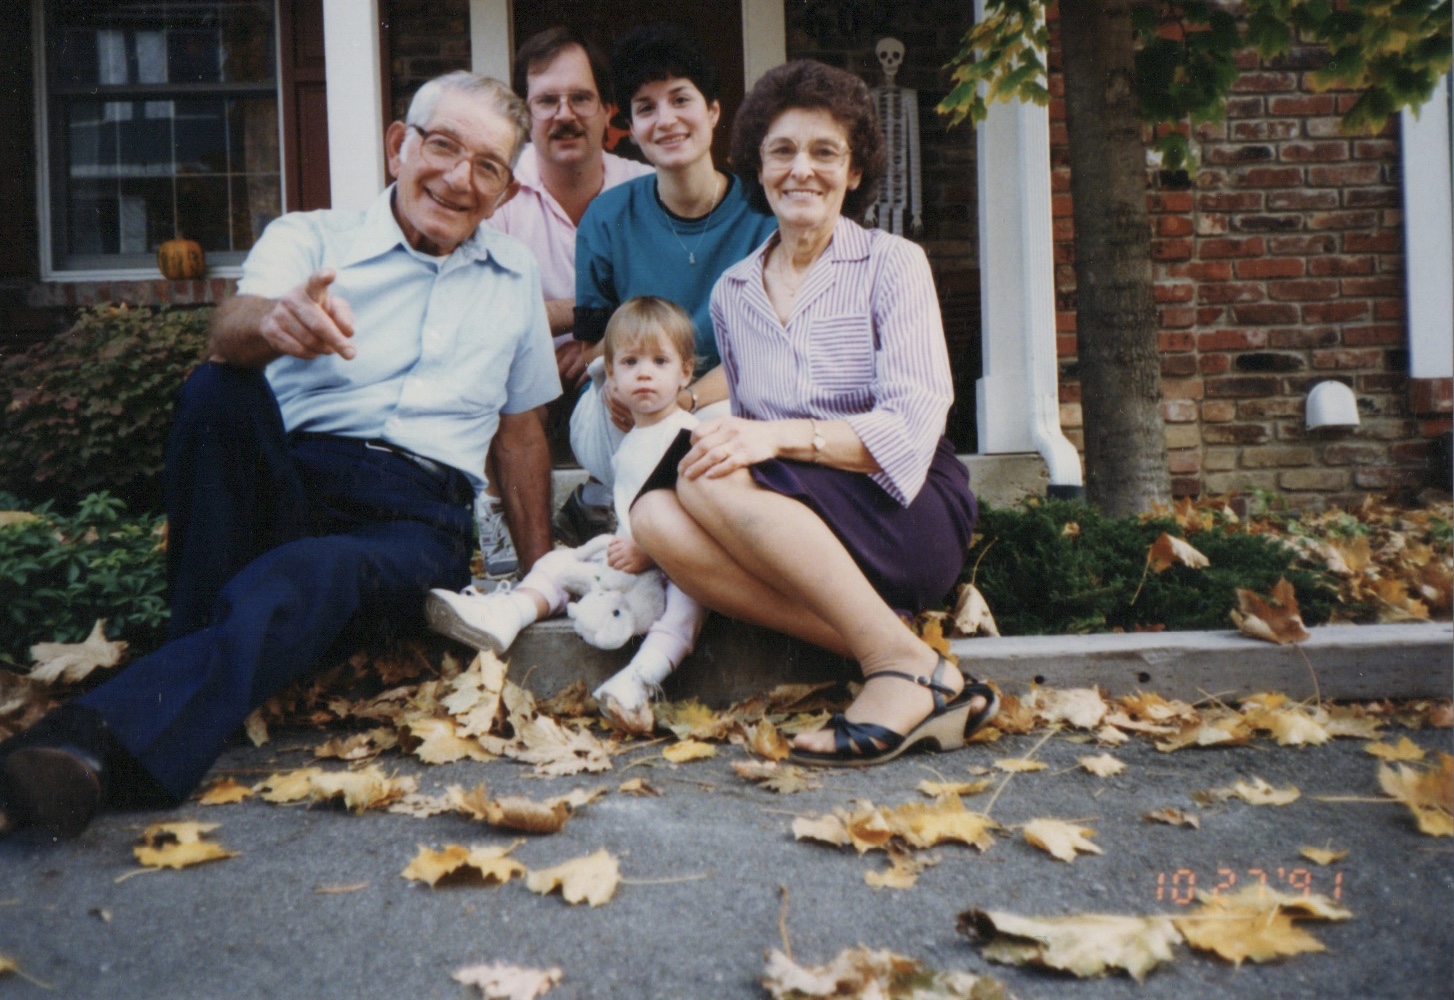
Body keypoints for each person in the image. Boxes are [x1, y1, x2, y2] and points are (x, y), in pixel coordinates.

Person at [0, 72, 560, 838]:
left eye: (489, 167)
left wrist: (543, 584)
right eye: (442, 146)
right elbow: (230, 327)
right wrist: (277, 322)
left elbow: (522, 432)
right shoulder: (311, 239)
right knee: (215, 391)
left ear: (503, 191)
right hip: (292, 480)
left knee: (312, 570)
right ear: (400, 145)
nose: (460, 179)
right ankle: (205, 672)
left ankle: (86, 746)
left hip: (412, 523)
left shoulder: (515, 276)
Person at [628, 60, 998, 767]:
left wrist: (772, 438)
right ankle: (911, 658)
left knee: (705, 478)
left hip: (905, 504)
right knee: (653, 516)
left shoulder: (894, 264)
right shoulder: (734, 292)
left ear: (854, 173)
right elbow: (745, 411)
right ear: (759, 170)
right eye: (783, 151)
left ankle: (897, 672)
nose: (803, 170)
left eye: (826, 152)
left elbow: (915, 428)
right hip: (803, 522)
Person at [427, 297, 706, 733]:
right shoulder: (631, 433)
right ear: (613, 377)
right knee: (558, 562)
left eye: (660, 361)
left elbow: (699, 515)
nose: (645, 373)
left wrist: (651, 552)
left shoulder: (689, 434)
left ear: (685, 373)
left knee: (689, 606)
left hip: (675, 564)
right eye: (631, 363)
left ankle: (638, 679)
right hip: (626, 561)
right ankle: (510, 613)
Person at [567, 24, 777, 513]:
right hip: (630, 403)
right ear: (633, 129)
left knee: (719, 430)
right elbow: (592, 349)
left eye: (681, 99)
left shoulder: (764, 213)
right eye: (646, 108)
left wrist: (685, 399)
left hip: (725, 400)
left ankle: (634, 522)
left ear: (713, 111)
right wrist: (626, 383)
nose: (666, 121)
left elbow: (769, 352)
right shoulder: (606, 217)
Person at [476, 27, 653, 572]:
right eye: (547, 101)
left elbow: (663, 298)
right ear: (527, 115)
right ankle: (503, 524)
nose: (564, 114)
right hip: (522, 379)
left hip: (613, 369)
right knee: (499, 368)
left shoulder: (644, 187)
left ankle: (633, 527)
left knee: (650, 368)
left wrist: (600, 341)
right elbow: (483, 305)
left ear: (607, 112)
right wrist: (579, 322)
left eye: (580, 99)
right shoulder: (497, 193)